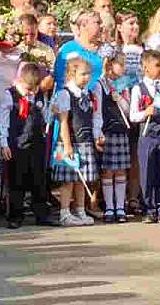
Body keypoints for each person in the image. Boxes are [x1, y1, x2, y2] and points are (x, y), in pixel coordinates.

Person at [0, 63, 51, 229]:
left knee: (39, 180)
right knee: (16, 181)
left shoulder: (39, 95)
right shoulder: (10, 95)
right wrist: (4, 143)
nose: (31, 92)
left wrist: (47, 110)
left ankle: (41, 214)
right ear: (20, 81)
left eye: (34, 89)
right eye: (28, 88)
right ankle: (15, 215)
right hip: (17, 144)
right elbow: (3, 122)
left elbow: (44, 116)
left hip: (36, 142)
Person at [52, 58, 102, 227]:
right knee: (68, 180)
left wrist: (96, 136)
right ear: (72, 74)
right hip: (70, 143)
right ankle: (65, 213)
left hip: (84, 142)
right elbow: (64, 121)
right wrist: (67, 145)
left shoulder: (87, 94)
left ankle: (80, 210)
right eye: (83, 74)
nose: (86, 77)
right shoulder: (66, 94)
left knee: (82, 179)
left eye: (88, 74)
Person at [130, 50, 160, 223]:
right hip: (147, 135)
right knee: (147, 173)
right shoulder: (138, 89)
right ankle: (149, 208)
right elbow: (133, 116)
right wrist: (145, 112)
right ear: (145, 67)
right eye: (157, 65)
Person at [97, 54, 132, 223]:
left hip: (121, 130)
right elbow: (97, 110)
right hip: (107, 130)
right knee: (107, 170)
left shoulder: (123, 84)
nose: (124, 68)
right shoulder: (100, 83)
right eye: (121, 64)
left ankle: (120, 207)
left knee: (120, 170)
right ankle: (109, 207)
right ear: (111, 65)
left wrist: (120, 98)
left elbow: (128, 110)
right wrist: (98, 132)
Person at [54, 10, 105, 95]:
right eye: (98, 23)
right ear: (83, 26)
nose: (102, 26)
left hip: (104, 100)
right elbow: (60, 79)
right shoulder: (68, 49)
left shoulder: (107, 49)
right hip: (76, 101)